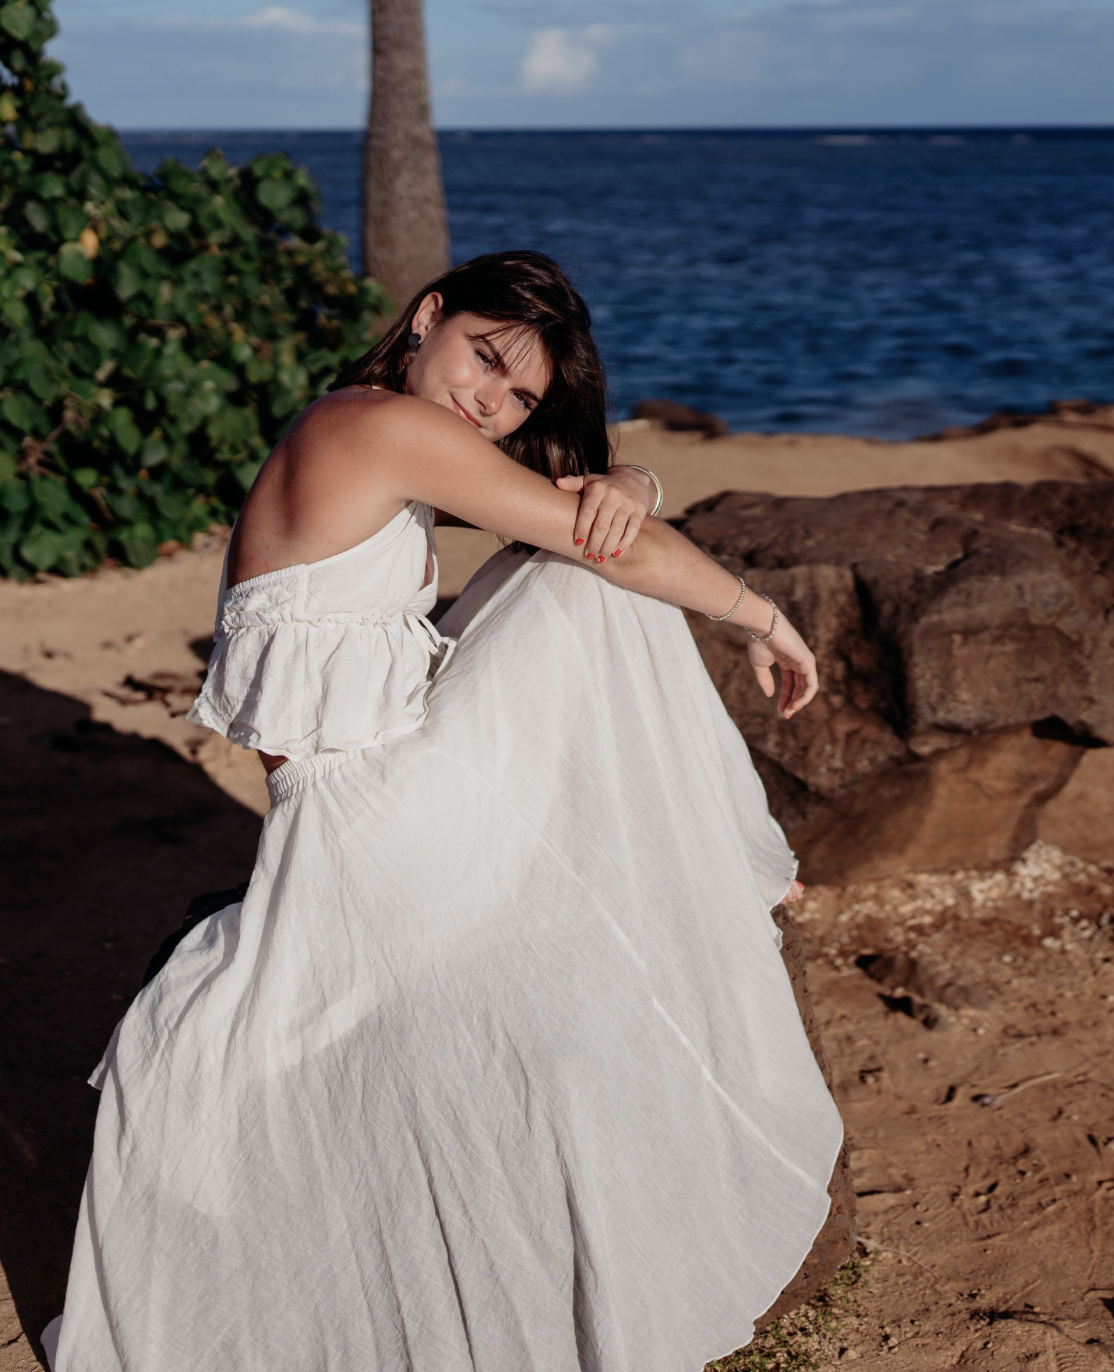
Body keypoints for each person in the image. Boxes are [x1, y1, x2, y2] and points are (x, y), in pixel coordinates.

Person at [44, 251, 843, 1372]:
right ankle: (736, 857)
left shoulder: (364, 434)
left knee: (581, 573)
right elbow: (598, 540)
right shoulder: (375, 428)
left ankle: (730, 856)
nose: (491, 401)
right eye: (484, 358)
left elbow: (595, 510)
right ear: (427, 317)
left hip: (361, 814)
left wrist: (633, 482)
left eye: (519, 396)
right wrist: (761, 616)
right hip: (380, 825)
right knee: (585, 585)